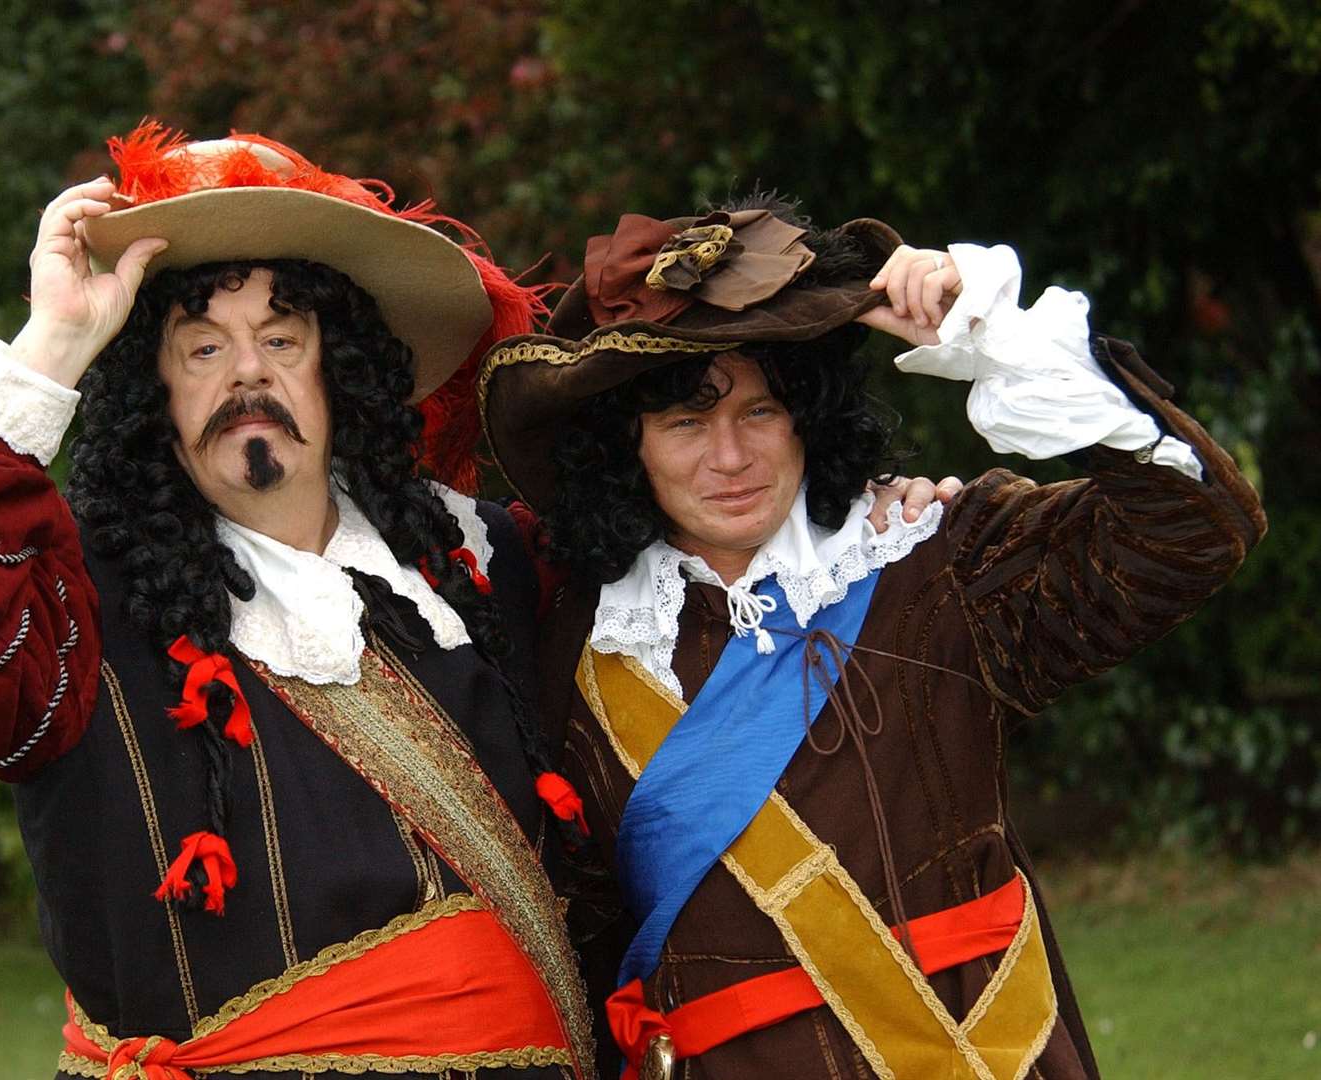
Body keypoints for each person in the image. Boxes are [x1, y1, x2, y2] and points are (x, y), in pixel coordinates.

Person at [0, 123, 602, 1079]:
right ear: (154, 390)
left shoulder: (478, 561)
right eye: (203, 346)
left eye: (282, 338)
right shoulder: (66, 610)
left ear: (338, 371)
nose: (249, 372)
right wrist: (52, 342)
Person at [477, 194, 1265, 1079]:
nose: (729, 457)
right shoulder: (581, 637)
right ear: (630, 450)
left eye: (762, 412)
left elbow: (1193, 526)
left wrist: (988, 331)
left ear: (808, 421)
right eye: (685, 423)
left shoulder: (935, 558)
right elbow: (578, 921)